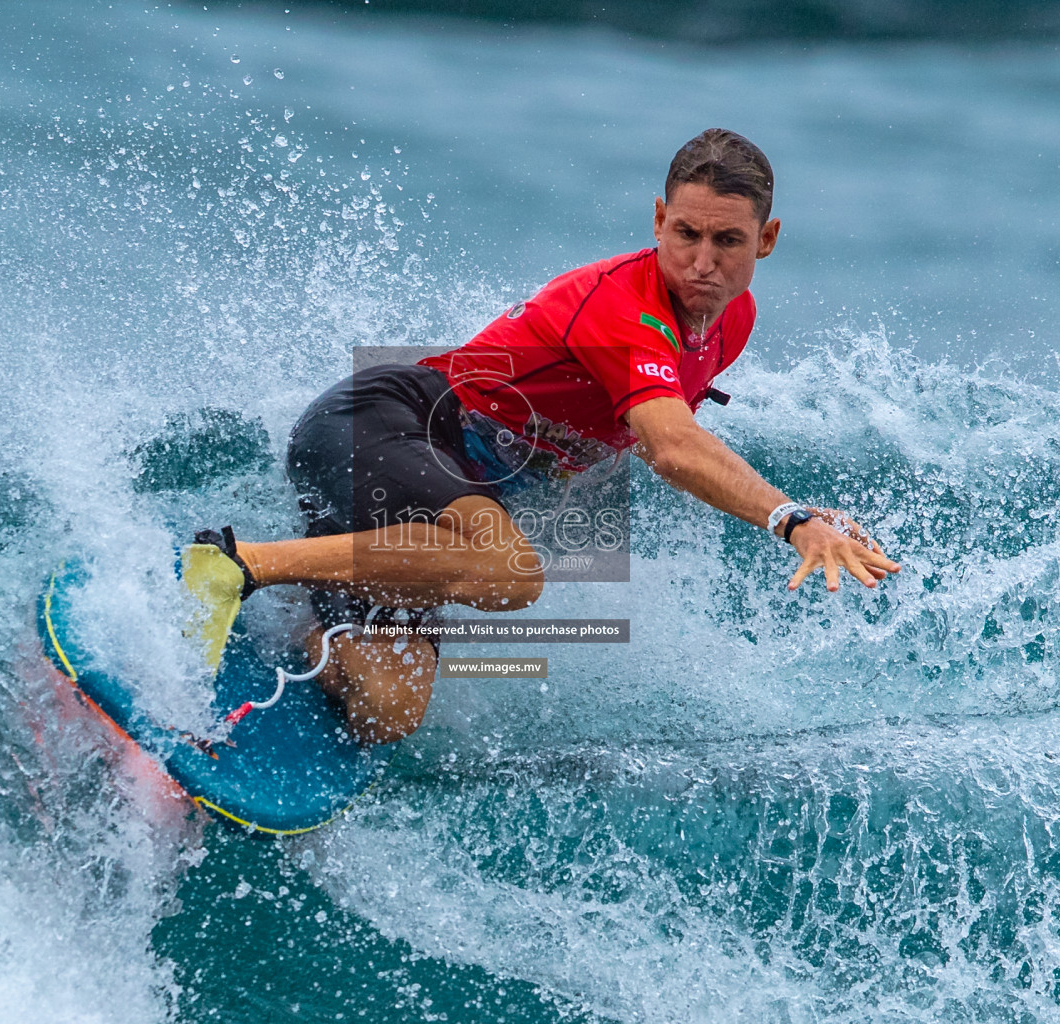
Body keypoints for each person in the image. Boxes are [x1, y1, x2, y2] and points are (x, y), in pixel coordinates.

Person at [194, 128, 899, 745]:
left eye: (728, 240)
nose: (702, 262)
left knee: (389, 712)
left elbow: (663, 442)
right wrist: (792, 517)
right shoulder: (627, 309)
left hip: (433, 503)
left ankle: (289, 630)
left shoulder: (729, 320)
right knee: (512, 575)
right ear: (658, 221)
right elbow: (678, 451)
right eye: (686, 233)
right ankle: (239, 562)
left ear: (766, 241)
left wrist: (788, 507)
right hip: (385, 424)